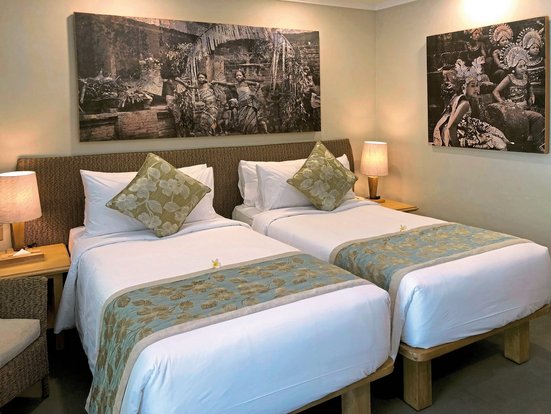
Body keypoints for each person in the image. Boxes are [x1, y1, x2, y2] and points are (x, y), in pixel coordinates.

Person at [433, 64, 510, 150]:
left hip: (465, 125)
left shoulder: (458, 97)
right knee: (500, 144)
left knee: (495, 132)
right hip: (459, 135)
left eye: (477, 85)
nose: (476, 89)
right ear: (463, 87)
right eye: (472, 86)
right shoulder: (464, 103)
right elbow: (451, 127)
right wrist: (457, 147)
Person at [492, 45, 545, 152]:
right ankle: (538, 144)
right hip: (514, 111)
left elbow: (529, 87)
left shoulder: (526, 77)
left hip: (525, 108)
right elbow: (495, 91)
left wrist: (532, 96)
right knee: (538, 117)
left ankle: (537, 142)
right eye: (520, 66)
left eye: (525, 66)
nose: (524, 68)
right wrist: (503, 103)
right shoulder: (509, 78)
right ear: (514, 68)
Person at [213, 70, 268, 134]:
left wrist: (254, 92)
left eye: (240, 75)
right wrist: (216, 82)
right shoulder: (236, 85)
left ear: (243, 76)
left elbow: (258, 84)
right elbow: (226, 83)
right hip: (241, 105)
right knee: (242, 122)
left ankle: (253, 133)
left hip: (249, 104)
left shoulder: (246, 83)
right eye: (237, 75)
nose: (238, 77)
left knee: (250, 121)